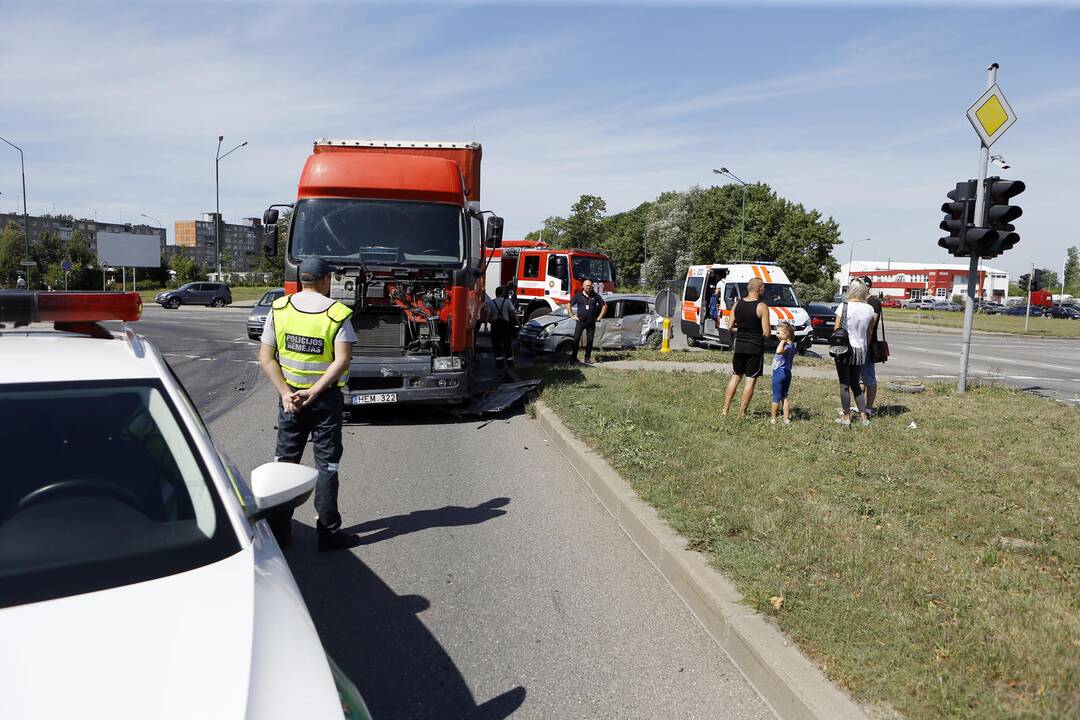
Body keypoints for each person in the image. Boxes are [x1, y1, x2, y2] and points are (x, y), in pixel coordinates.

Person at [258, 257, 360, 551]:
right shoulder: (337, 313)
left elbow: (266, 357)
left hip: (289, 400)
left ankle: (279, 533)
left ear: (301, 278)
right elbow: (342, 360)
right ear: (327, 279)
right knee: (327, 465)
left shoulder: (280, 309)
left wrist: (286, 393)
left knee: (285, 464)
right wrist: (314, 392)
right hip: (324, 400)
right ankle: (328, 533)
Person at [722, 277, 771, 417]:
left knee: (735, 377)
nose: (764, 291)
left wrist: (742, 330)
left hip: (740, 346)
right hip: (754, 347)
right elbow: (766, 332)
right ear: (758, 289)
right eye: (763, 288)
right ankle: (742, 413)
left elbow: (730, 327)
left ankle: (725, 410)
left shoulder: (737, 304)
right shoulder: (762, 307)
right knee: (750, 380)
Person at [832, 278, 878, 427]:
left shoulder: (843, 306)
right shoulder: (869, 309)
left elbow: (836, 329)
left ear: (850, 290)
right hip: (860, 349)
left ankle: (846, 417)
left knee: (844, 384)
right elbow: (869, 331)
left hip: (844, 349)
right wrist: (865, 346)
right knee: (856, 384)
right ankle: (864, 417)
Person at [859, 276, 883, 416]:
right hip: (859, 344)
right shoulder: (860, 301)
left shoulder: (873, 302)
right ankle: (859, 406)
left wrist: (866, 344)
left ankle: (868, 408)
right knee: (859, 379)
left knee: (869, 377)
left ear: (867, 286)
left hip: (868, 345)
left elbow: (871, 326)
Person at [569, 279, 607, 364]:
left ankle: (587, 358)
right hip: (580, 321)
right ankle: (573, 358)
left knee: (590, 340)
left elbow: (604, 306)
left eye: (590, 286)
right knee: (576, 339)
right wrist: (571, 315)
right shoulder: (578, 295)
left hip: (591, 322)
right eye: (587, 285)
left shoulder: (595, 296)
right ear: (583, 286)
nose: (588, 287)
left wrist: (600, 317)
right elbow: (569, 305)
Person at [770, 322, 796, 425]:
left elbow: (778, 351)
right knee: (784, 396)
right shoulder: (792, 345)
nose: (777, 335)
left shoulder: (786, 345)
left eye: (778, 333)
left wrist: (782, 341)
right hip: (787, 373)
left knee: (776, 396)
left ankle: (773, 418)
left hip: (779, 372)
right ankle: (786, 419)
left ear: (786, 333)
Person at [487, 285, 518, 369]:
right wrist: (517, 323)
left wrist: (491, 322)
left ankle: (499, 363)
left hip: (495, 326)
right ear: (502, 293)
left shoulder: (491, 303)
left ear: (496, 293)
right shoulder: (507, 302)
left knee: (496, 344)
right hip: (505, 325)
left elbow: (488, 317)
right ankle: (510, 363)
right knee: (507, 344)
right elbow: (513, 313)